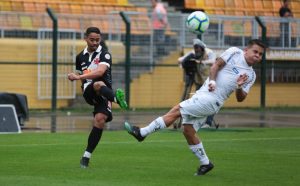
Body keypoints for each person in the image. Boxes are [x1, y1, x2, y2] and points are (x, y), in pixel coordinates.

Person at [124, 39, 266, 176]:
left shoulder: (251, 75)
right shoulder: (234, 52)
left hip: (211, 101)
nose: (257, 56)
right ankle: (206, 163)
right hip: (205, 95)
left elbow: (241, 98)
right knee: (188, 130)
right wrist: (212, 82)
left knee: (177, 110)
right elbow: (216, 66)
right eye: (255, 51)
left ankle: (142, 133)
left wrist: (239, 86)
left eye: (260, 54)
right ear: (246, 50)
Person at [67, 27, 128, 168]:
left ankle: (86, 157)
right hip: (90, 91)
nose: (95, 42)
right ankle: (117, 99)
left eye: (97, 40)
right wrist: (77, 78)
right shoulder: (80, 57)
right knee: (97, 84)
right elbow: (79, 74)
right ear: (85, 38)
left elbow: (100, 71)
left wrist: (79, 76)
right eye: (92, 39)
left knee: (99, 120)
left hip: (105, 93)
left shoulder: (105, 54)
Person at [176, 38, 216, 129]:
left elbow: (213, 61)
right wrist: (183, 61)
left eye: (198, 49)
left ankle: (208, 122)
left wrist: (202, 62)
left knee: (210, 102)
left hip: (209, 82)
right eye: (195, 49)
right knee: (197, 101)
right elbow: (180, 59)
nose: (196, 51)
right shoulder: (193, 53)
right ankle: (198, 122)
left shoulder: (209, 52)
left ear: (202, 48)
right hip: (199, 81)